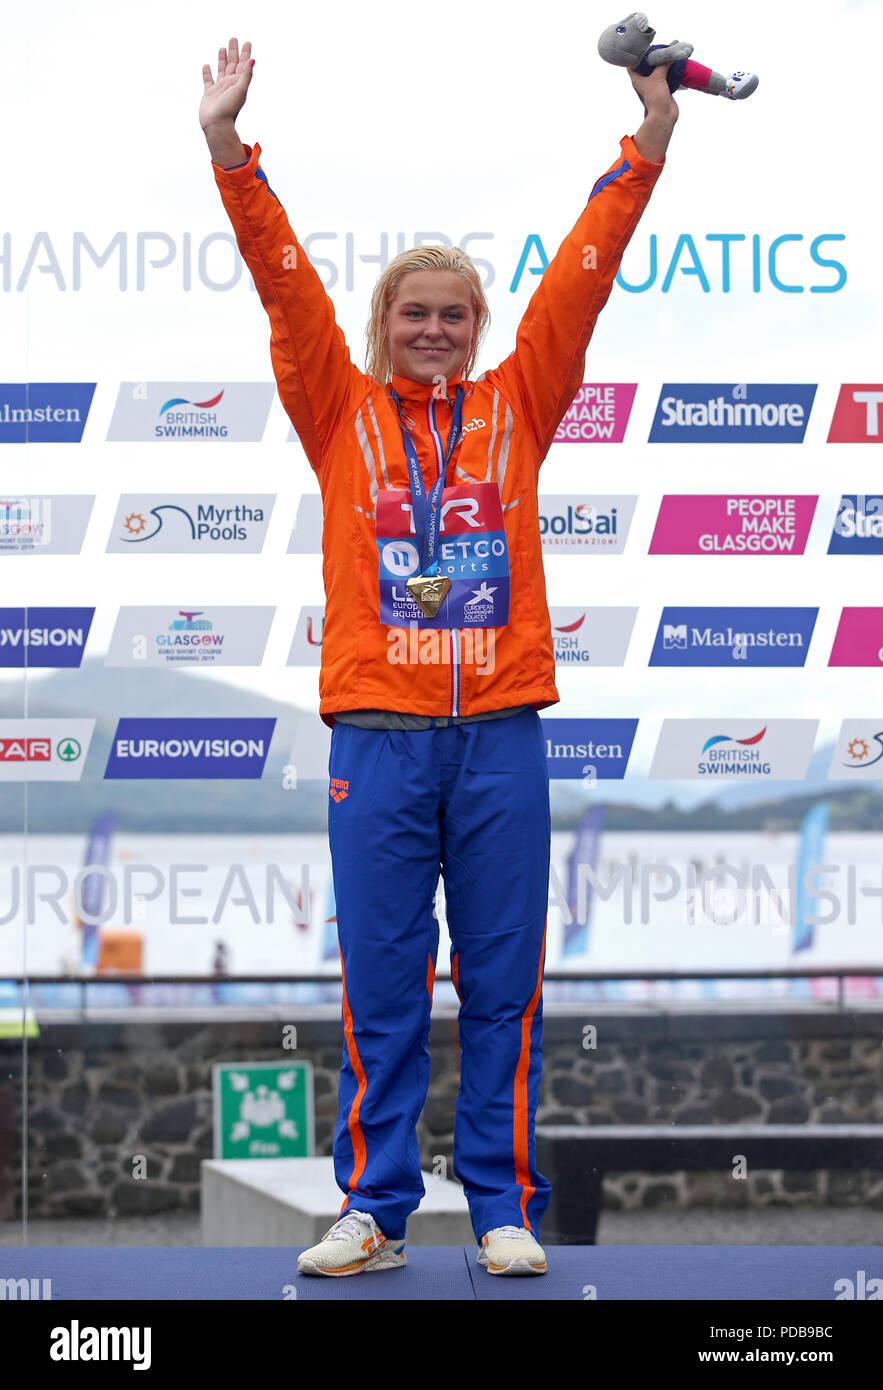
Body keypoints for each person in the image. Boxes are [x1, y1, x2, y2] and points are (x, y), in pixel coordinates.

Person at [201, 34, 678, 1277]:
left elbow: (586, 274)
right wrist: (224, 149)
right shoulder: (336, 407)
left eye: (451, 315)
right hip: (377, 735)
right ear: (384, 325)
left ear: (476, 329)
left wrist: (647, 146)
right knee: (384, 987)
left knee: (507, 986)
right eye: (412, 314)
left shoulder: (519, 403)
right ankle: (374, 1209)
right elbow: (281, 278)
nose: (431, 330)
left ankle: (505, 1205)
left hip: (501, 736)